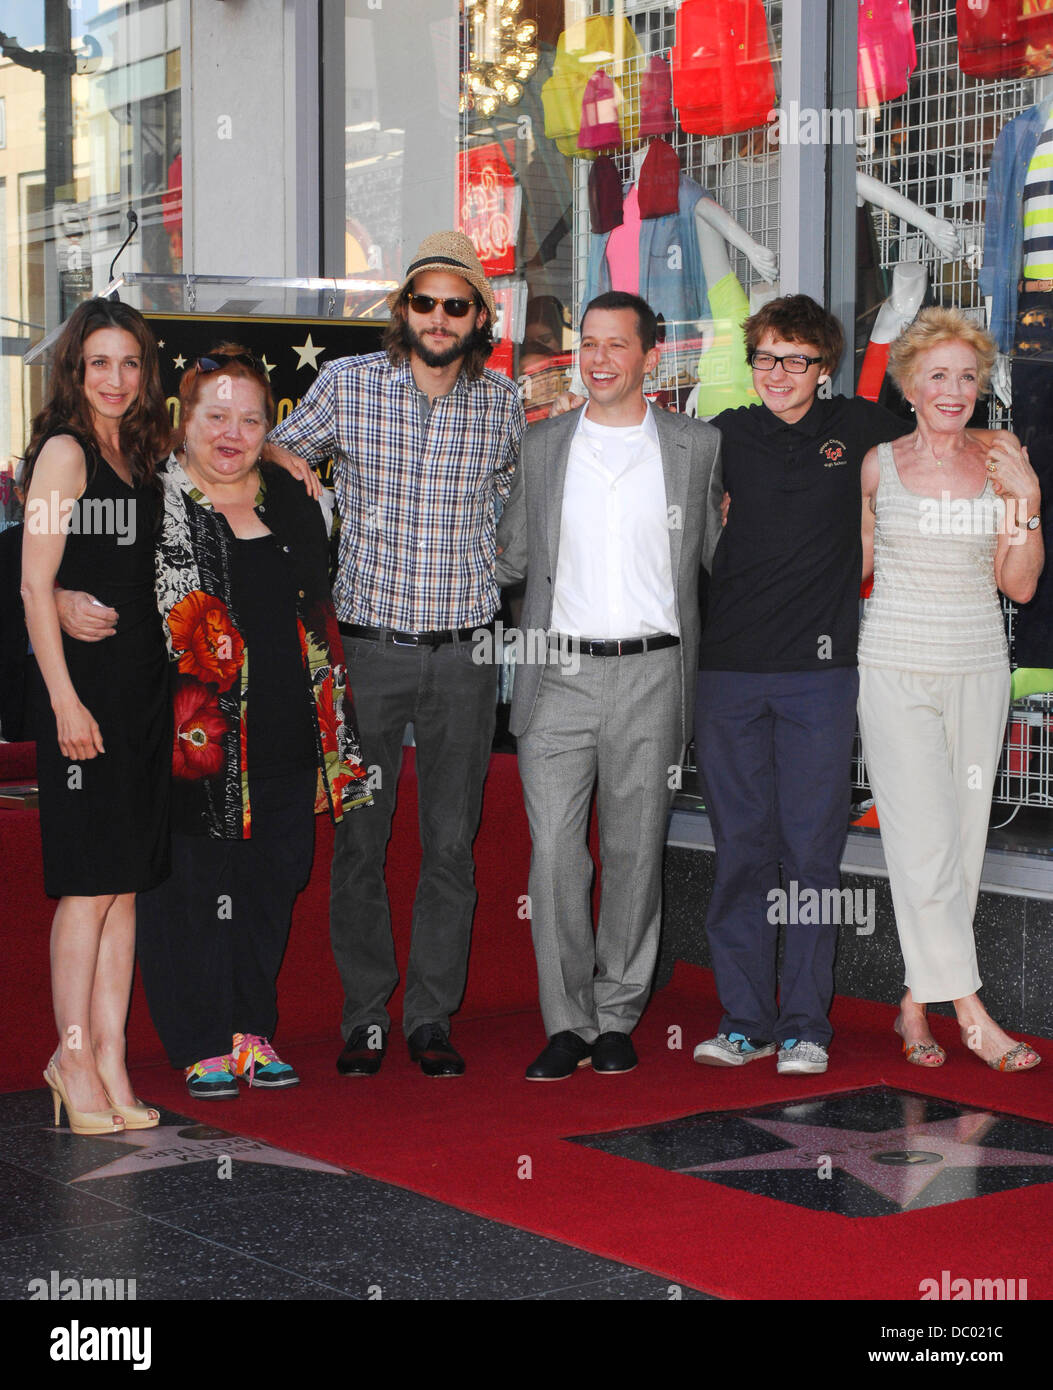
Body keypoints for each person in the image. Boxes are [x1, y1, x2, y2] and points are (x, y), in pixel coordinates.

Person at [266, 233, 525, 1078]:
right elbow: (269, 450)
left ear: (479, 317)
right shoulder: (347, 384)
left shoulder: (504, 406)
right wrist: (304, 479)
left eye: (457, 305)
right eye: (425, 302)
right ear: (402, 311)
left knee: (452, 844)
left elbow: (525, 514)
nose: (439, 318)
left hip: (466, 656)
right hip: (368, 654)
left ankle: (429, 1019)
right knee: (359, 839)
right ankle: (366, 1016)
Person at [113, 348, 370, 1098]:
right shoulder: (150, 499)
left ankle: (251, 1030)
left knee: (270, 884)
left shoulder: (292, 495)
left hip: (292, 737)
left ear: (271, 427)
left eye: (251, 419)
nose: (232, 433)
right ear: (183, 420)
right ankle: (198, 1039)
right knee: (190, 891)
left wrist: (289, 458)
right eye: (215, 416)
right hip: (192, 741)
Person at [497, 291, 723, 1080]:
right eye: (587, 342)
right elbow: (511, 557)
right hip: (556, 671)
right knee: (556, 853)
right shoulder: (543, 445)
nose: (596, 358)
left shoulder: (697, 447)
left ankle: (619, 1011)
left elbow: (724, 558)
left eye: (614, 345)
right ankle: (567, 1021)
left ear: (648, 357)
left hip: (657, 671)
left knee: (633, 850)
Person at [692, 295, 907, 1076]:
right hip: (727, 673)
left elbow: (942, 440)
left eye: (795, 360)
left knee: (812, 854)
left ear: (823, 368)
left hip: (819, 677)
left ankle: (806, 1025)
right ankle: (744, 1020)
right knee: (741, 852)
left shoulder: (856, 428)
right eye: (765, 358)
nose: (777, 374)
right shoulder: (723, 437)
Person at [858, 307, 1043, 1072]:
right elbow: (849, 568)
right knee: (921, 838)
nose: (953, 389)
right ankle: (971, 1013)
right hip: (894, 667)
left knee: (962, 844)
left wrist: (1027, 495)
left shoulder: (1002, 456)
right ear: (907, 383)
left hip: (976, 667)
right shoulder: (876, 464)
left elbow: (1020, 585)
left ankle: (912, 1003)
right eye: (937, 375)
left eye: (967, 376)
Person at [21, 297, 170, 1134]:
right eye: (98, 364)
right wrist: (64, 700)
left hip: (141, 687)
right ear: (75, 372)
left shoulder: (137, 452)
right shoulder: (67, 454)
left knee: (125, 885)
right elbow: (34, 584)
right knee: (87, 886)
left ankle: (111, 1055)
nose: (115, 380)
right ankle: (69, 1054)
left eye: (128, 364)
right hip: (85, 693)